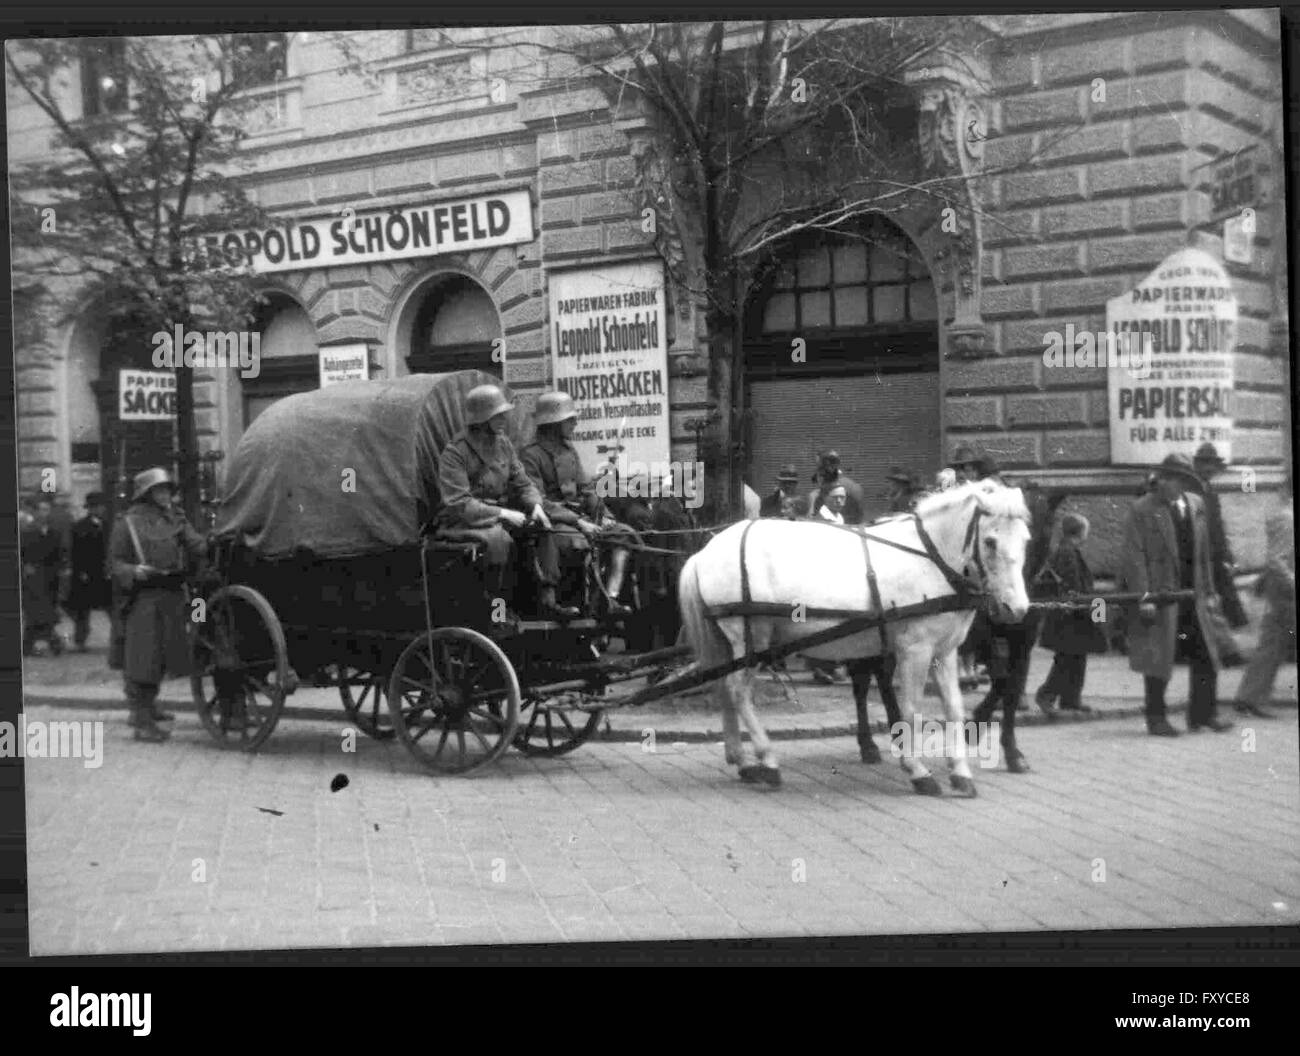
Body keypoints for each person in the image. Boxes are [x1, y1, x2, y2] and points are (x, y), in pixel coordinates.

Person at [435, 384, 574, 619]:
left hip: (497, 516)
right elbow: (459, 504)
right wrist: (503, 514)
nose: (504, 419)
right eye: (498, 415)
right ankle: (498, 611)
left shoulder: (504, 444)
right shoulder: (455, 453)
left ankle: (547, 601)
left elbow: (523, 482)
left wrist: (536, 506)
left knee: (542, 527)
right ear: (482, 417)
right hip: (463, 523)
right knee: (499, 540)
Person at [1119, 453, 1232, 737]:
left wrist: (1209, 590)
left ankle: (1203, 715)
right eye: (1170, 481)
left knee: (1206, 653)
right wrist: (1144, 597)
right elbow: (1134, 557)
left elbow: (1204, 554)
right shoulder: (1142, 509)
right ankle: (1156, 718)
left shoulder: (1195, 505)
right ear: (1162, 479)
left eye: (1181, 481)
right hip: (1162, 595)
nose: (1175, 487)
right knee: (1158, 658)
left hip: (1193, 593)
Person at [108, 468, 207, 742]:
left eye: (167, 490)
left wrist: (213, 543)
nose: (166, 495)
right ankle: (141, 721)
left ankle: (149, 707)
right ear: (146, 494)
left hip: (173, 593)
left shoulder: (175, 518)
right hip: (143, 597)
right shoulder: (127, 523)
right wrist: (133, 571)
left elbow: (196, 544)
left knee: (164, 657)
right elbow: (114, 564)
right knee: (144, 659)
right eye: (159, 490)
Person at [521, 390, 634, 618]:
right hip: (553, 521)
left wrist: (604, 515)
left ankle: (609, 599)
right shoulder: (530, 455)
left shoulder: (569, 450)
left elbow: (585, 489)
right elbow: (539, 500)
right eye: (570, 419)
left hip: (580, 517)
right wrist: (579, 522)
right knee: (579, 541)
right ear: (554, 423)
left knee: (624, 534)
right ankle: (552, 602)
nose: (575, 423)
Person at [1034, 513, 1108, 714]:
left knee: (1075, 658)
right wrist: (1090, 608)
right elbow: (1073, 584)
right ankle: (1047, 694)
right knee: (1068, 659)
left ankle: (1071, 698)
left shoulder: (1066, 550)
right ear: (1081, 531)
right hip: (1072, 617)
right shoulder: (1068, 552)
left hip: (1072, 615)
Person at [1234, 480, 1295, 719]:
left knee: (1272, 645)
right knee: (1272, 645)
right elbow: (1277, 559)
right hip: (1286, 593)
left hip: (1282, 591)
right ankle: (1250, 698)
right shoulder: (1287, 519)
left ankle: (1249, 697)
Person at [1192, 442, 1249, 632]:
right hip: (1199, 551)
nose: (1209, 468)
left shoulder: (1211, 492)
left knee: (1224, 587)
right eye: (1205, 463)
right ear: (1197, 465)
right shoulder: (1193, 491)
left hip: (1214, 551)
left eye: (1212, 464)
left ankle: (1234, 627)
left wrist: (1226, 554)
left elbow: (1217, 527)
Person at [21, 496, 68, 657]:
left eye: (47, 510)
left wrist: (61, 570)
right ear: (35, 512)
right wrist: (25, 567)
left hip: (50, 578)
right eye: (41, 510)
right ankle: (53, 644)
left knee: (42, 614)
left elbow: (59, 555)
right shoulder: (26, 532)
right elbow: (21, 555)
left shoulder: (54, 533)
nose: (44, 513)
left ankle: (28, 646)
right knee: (38, 613)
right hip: (33, 579)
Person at [66, 491, 111, 652]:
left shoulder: (107, 525)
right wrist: (80, 571)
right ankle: (80, 641)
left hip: (103, 574)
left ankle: (119, 638)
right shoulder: (79, 527)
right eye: (98, 507)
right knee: (82, 612)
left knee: (111, 607)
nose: (102, 510)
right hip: (85, 574)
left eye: (102, 507)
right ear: (91, 509)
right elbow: (76, 553)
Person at [809, 450, 865, 525]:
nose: (818, 472)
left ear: (829, 468)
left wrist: (812, 500)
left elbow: (812, 521)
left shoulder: (826, 490)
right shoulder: (854, 486)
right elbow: (860, 516)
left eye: (820, 468)